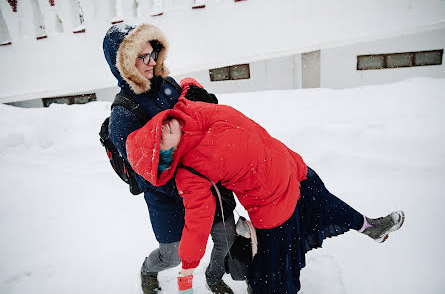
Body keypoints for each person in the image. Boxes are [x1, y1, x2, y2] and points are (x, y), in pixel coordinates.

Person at [125, 78, 406, 294]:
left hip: (289, 165)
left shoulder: (188, 107)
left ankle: (371, 227)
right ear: (164, 158)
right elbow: (197, 223)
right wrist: (187, 268)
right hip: (271, 204)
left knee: (324, 204)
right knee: (273, 277)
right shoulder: (190, 172)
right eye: (158, 142)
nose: (161, 130)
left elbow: (185, 84)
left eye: (156, 130)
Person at [103, 24, 236, 294]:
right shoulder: (123, 116)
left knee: (226, 237)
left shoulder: (169, 85)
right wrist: (185, 185)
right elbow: (146, 175)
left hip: (203, 179)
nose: (152, 62)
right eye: (143, 57)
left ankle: (213, 277)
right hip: (166, 195)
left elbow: (198, 125)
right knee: (172, 254)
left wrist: (207, 103)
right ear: (125, 63)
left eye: (153, 53)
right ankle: (148, 270)